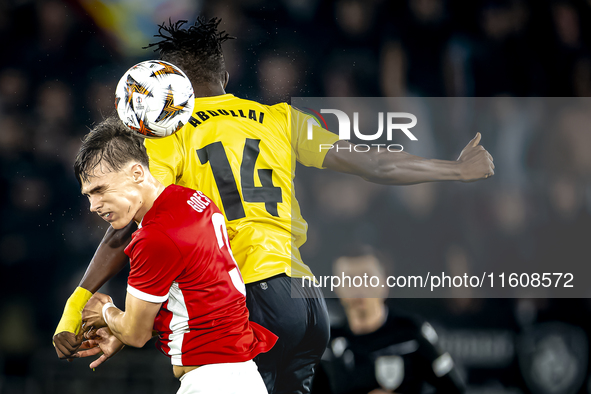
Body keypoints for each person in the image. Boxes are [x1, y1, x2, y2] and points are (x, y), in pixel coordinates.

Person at [53, 17, 494, 394]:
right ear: (224, 77)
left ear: (174, 84)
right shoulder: (280, 118)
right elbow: (373, 161)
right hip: (306, 301)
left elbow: (132, 223)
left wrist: (78, 305)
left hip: (249, 304)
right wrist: (454, 169)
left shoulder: (173, 135)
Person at [70, 116, 277, 393]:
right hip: (242, 374)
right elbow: (196, 300)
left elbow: (136, 334)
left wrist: (106, 311)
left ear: (137, 173)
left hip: (211, 381)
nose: (94, 205)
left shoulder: (154, 237)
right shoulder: (193, 199)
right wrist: (121, 328)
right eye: (88, 195)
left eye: (100, 190)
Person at [312, 245, 465, 393]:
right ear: (336, 287)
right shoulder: (326, 345)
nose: (358, 287)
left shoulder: (411, 334)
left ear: (384, 283)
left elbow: (455, 389)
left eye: (366, 277)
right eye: (348, 279)